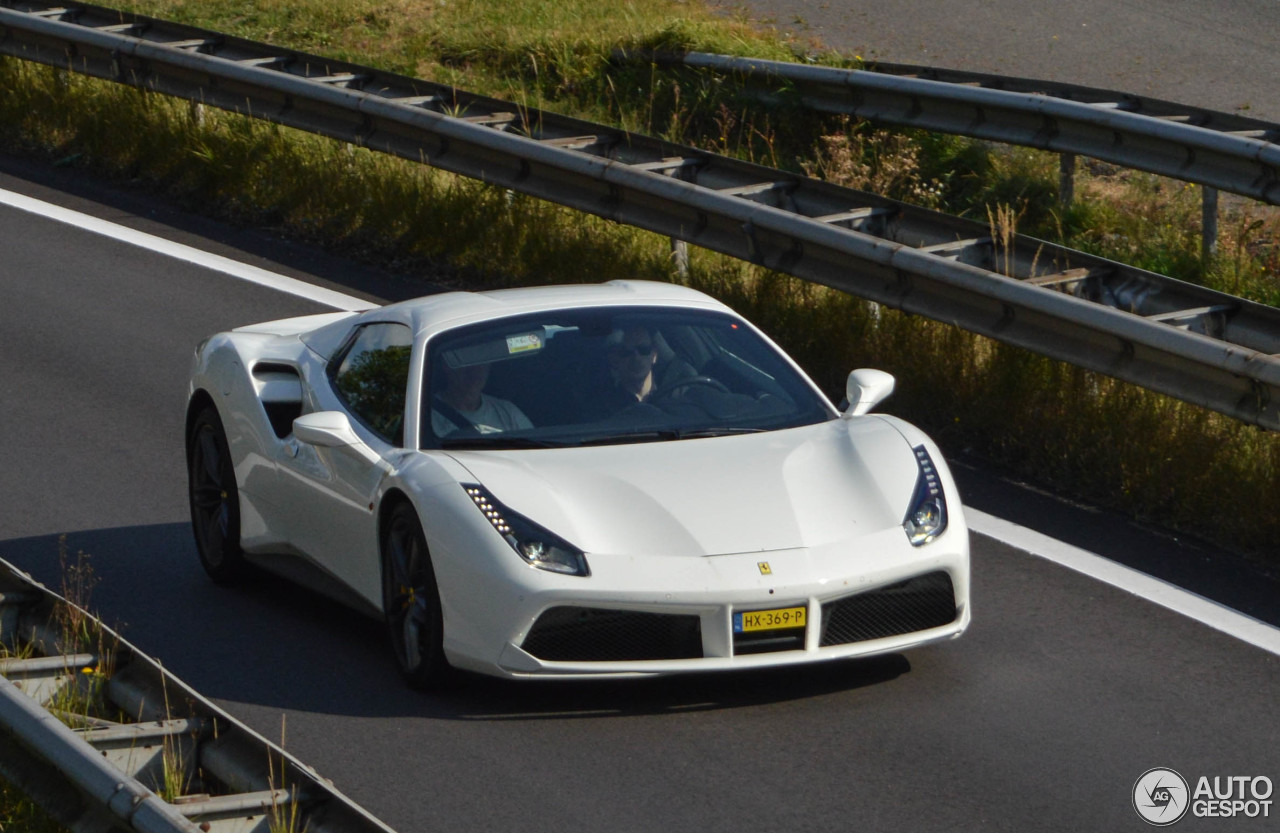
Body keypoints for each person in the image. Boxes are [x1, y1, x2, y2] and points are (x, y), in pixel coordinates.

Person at [430, 362, 532, 436]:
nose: (474, 371)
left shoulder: (507, 412)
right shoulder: (425, 415)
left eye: (481, 363)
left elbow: (532, 446)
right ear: (447, 367)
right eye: (466, 362)